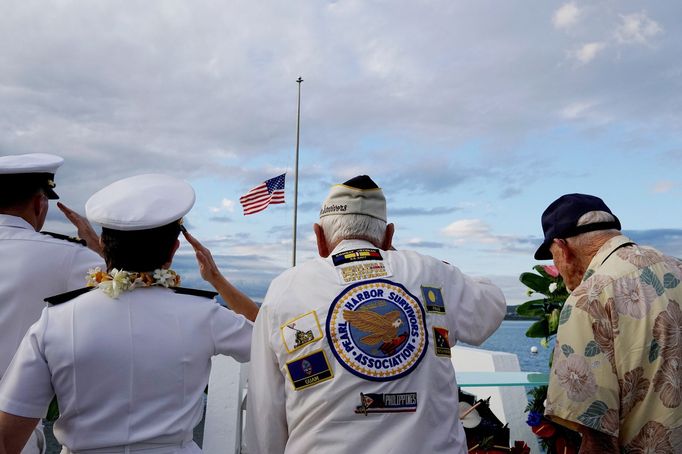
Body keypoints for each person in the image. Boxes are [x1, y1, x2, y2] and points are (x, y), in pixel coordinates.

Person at [246, 175, 506, 454]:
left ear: (319, 238)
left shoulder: (284, 290)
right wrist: (435, 269)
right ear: (389, 234)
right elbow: (490, 309)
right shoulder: (431, 272)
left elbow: (265, 413)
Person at [0, 173, 254, 453]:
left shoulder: (56, 320)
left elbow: (7, 438)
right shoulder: (204, 315)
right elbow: (268, 336)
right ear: (173, 248)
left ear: (104, 246)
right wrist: (216, 278)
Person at [535, 193, 682, 453]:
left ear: (562, 247)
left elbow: (597, 437)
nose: (556, 266)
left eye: (552, 256)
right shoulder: (677, 269)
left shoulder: (587, 299)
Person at [0, 153, 104, 454]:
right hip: (11, 426)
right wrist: (98, 249)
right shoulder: (65, 256)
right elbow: (128, 293)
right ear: (39, 203)